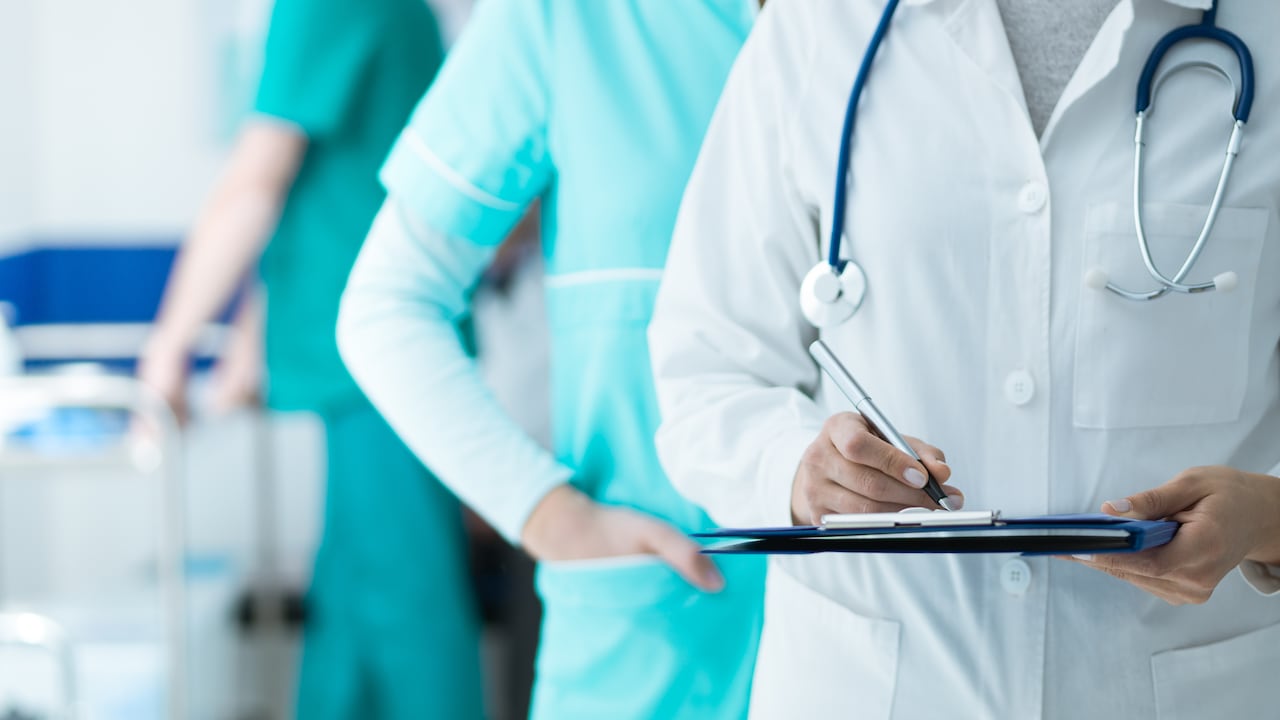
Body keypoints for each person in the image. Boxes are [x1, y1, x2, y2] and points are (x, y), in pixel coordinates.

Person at [649, 0, 1280, 717]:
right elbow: (708, 361)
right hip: (869, 686)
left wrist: (1269, 515)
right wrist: (799, 473)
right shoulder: (820, 25)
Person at [336, 1, 765, 717]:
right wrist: (548, 515)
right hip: (657, 625)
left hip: (898, 625)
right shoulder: (567, 17)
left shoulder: (917, 23)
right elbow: (386, 306)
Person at [137, 0, 485, 717]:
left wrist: (168, 349)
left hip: (387, 364)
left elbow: (256, 180)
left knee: (407, 619)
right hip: (379, 362)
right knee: (351, 621)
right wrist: (248, 333)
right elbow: (334, 186)